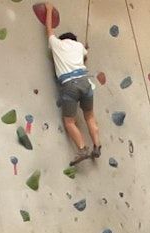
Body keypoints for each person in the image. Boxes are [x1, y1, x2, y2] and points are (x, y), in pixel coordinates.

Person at [42, 2, 101, 165]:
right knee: (89, 116)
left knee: (69, 121)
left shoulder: (57, 44)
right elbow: (84, 57)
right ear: (74, 40)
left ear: (63, 39)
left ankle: (82, 149)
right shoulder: (79, 46)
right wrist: (83, 50)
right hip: (86, 82)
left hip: (70, 85)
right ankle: (97, 146)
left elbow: (49, 30)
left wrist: (49, 10)